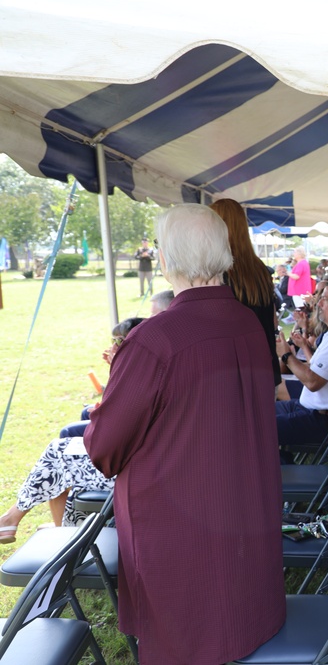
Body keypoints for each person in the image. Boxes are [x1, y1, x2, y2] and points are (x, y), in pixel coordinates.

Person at [84, 204, 285, 665]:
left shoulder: (155, 340)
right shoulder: (248, 324)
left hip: (182, 529)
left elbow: (103, 447)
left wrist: (120, 385)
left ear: (166, 259)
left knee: (185, 642)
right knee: (234, 623)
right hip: (240, 509)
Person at [0, 318, 142, 542]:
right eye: (113, 340)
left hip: (136, 467)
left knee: (58, 453)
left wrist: (119, 371)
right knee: (63, 451)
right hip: (141, 458)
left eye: (120, 341)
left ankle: (14, 520)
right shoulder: (145, 371)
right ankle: (37, 524)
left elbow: (112, 424)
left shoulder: (139, 376)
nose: (113, 347)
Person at [274, 279, 328, 449]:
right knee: (256, 416)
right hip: (308, 408)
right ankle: (282, 466)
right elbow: (314, 368)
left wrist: (286, 355)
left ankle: (282, 471)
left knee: (257, 430)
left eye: (326, 299)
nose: (319, 303)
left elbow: (313, 382)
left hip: (319, 420)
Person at [211, 198, 281, 385]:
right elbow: (273, 320)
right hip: (264, 366)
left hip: (235, 372)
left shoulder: (219, 271)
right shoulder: (260, 269)